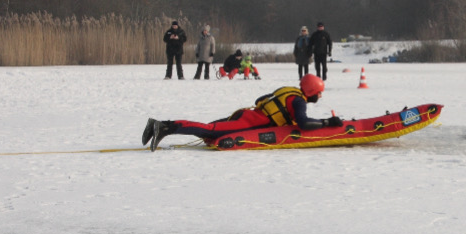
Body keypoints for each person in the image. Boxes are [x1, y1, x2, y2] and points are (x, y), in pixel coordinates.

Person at [141, 74, 342, 151]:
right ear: (312, 92)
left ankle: (160, 124)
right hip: (248, 123)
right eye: (319, 93)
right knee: (209, 129)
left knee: (207, 128)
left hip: (245, 113)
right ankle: (164, 128)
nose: (320, 97)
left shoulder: (289, 91)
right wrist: (327, 123)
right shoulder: (299, 101)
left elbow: (261, 99)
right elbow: (304, 124)